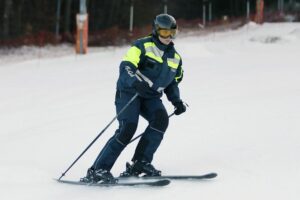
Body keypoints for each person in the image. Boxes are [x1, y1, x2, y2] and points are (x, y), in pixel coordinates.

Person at [81, 13, 186, 184]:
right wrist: (135, 82)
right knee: (128, 127)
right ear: (156, 30)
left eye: (172, 33)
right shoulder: (141, 45)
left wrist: (177, 101)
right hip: (130, 92)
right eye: (165, 33)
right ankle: (98, 170)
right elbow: (126, 67)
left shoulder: (175, 58)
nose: (169, 37)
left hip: (150, 96)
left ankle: (140, 163)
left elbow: (172, 83)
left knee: (160, 121)